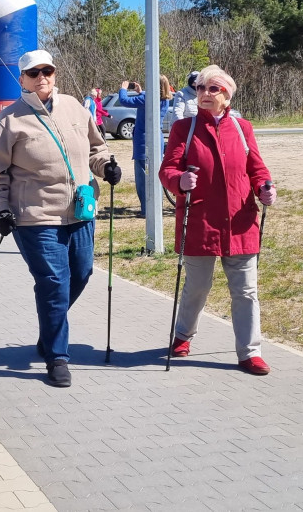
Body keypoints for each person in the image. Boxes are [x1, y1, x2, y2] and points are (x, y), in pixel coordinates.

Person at [0, 50, 121, 388]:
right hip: (36, 217)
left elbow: (95, 148)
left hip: (80, 211)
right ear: (22, 79)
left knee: (82, 273)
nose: (41, 77)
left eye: (47, 70)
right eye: (34, 72)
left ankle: (49, 328)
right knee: (54, 284)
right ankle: (57, 357)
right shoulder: (9, 120)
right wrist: (0, 209)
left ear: (55, 74)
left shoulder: (75, 106)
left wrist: (106, 166)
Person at [158, 64, 277, 376]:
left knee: (246, 291)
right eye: (200, 88)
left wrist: (265, 188)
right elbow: (167, 170)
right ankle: (183, 336)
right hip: (199, 222)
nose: (204, 94)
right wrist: (179, 180)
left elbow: (257, 169)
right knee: (197, 286)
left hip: (240, 223)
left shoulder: (242, 128)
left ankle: (250, 353)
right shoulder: (185, 128)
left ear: (227, 96)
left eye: (213, 89)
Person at [118, 75, 173, 218]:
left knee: (143, 177)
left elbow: (124, 101)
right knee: (155, 176)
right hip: (156, 140)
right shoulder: (164, 100)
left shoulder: (147, 99)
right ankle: (156, 208)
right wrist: (140, 92)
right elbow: (145, 100)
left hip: (144, 143)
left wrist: (123, 89)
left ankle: (146, 210)